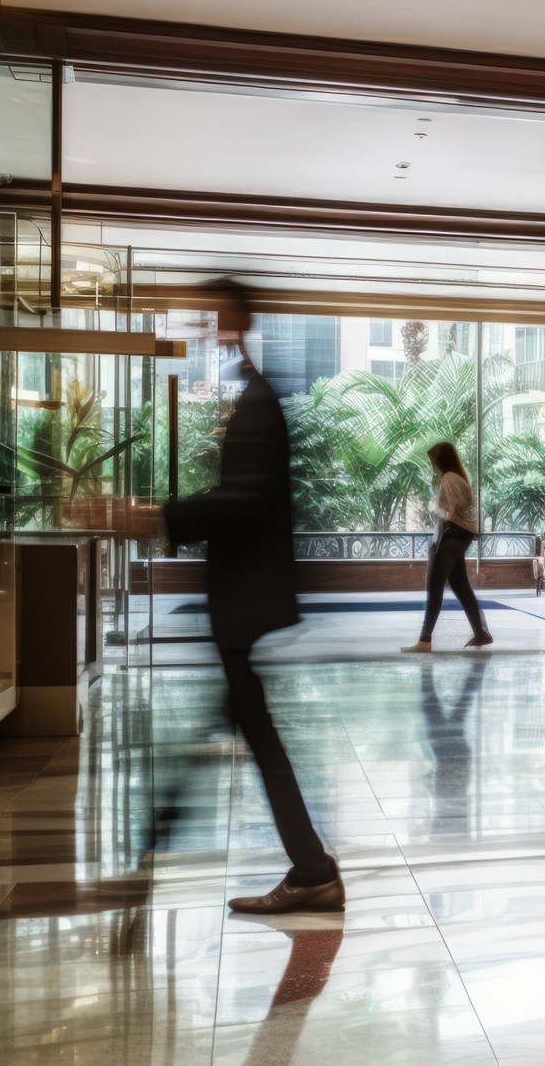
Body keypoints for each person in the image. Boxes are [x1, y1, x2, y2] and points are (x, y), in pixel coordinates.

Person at [163, 282, 343, 915]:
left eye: (211, 317)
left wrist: (160, 517)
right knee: (246, 725)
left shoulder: (260, 401)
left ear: (235, 320)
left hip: (244, 601)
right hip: (243, 602)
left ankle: (313, 868)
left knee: (254, 731)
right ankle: (310, 866)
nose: (205, 328)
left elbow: (243, 501)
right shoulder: (253, 395)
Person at [402, 442, 493, 653]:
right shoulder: (458, 478)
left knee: (434, 586)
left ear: (440, 461)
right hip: (460, 535)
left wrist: (437, 511)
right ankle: (481, 633)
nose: (432, 465)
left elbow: (454, 509)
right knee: (460, 586)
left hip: (451, 534)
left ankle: (424, 641)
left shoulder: (449, 479)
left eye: (433, 461)